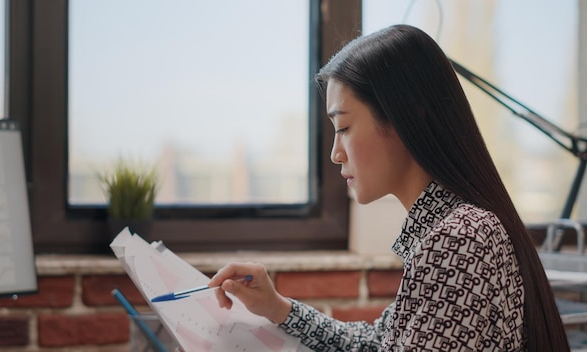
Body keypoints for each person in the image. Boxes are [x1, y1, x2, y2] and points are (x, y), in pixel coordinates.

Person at [208, 24, 569, 351]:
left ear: (403, 118)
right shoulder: (447, 229)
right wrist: (275, 307)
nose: (336, 154)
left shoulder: (459, 238)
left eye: (344, 128)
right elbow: (376, 343)